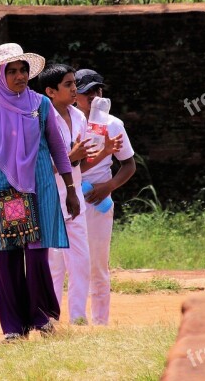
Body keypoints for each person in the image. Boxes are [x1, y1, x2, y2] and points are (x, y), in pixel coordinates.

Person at [0, 43, 80, 343]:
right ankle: (13, 328)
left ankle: (41, 319)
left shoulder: (40, 105)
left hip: (40, 188)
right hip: (6, 193)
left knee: (38, 256)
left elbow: (57, 148)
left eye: (23, 70)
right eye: (11, 71)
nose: (19, 76)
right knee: (8, 258)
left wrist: (70, 189)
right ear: (0, 76)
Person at [39, 64, 122, 325]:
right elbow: (38, 170)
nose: (74, 89)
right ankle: (49, 321)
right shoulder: (40, 119)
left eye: (74, 83)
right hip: (51, 200)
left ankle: (77, 318)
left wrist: (105, 152)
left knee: (81, 263)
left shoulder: (79, 118)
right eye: (68, 84)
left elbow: (79, 165)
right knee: (54, 266)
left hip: (73, 201)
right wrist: (69, 157)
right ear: (51, 92)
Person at [75, 69, 136, 326]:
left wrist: (107, 186)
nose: (93, 96)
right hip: (69, 194)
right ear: (73, 94)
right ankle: (71, 320)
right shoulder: (66, 122)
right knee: (62, 262)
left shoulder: (112, 124)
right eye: (86, 91)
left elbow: (129, 165)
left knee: (97, 264)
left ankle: (100, 323)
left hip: (97, 199)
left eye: (97, 90)